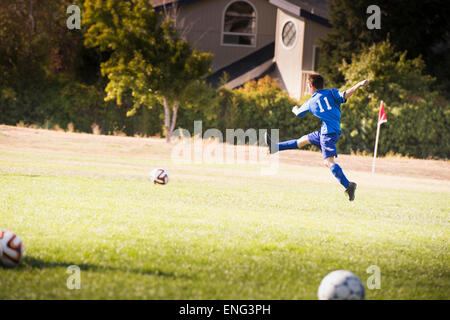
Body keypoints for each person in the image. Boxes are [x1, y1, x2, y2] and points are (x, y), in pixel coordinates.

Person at [265, 74, 369, 201]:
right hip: (327, 131)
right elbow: (346, 94)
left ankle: (348, 185)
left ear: (311, 86)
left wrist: (295, 109)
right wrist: (358, 85)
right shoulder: (332, 93)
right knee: (303, 140)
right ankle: (274, 147)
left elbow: (298, 114)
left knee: (328, 162)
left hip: (327, 134)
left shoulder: (311, 102)